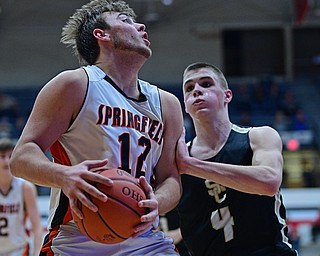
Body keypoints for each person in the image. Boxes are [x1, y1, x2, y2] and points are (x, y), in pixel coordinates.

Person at [9, 0, 183, 255]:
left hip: (144, 239)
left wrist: (155, 202)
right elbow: (21, 157)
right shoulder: (75, 84)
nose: (141, 26)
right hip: (76, 240)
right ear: (101, 35)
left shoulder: (167, 104)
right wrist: (63, 176)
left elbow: (170, 177)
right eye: (125, 21)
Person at [175, 62, 298, 256]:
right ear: (185, 105)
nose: (197, 91)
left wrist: (192, 166)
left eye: (206, 84)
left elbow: (268, 182)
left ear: (227, 95)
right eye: (189, 88)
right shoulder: (179, 158)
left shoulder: (259, 136)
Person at [0, 138, 43, 256]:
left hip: (18, 250)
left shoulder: (25, 187)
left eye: (10, 156)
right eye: (2, 156)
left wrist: (36, 253)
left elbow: (37, 226)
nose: (6, 161)